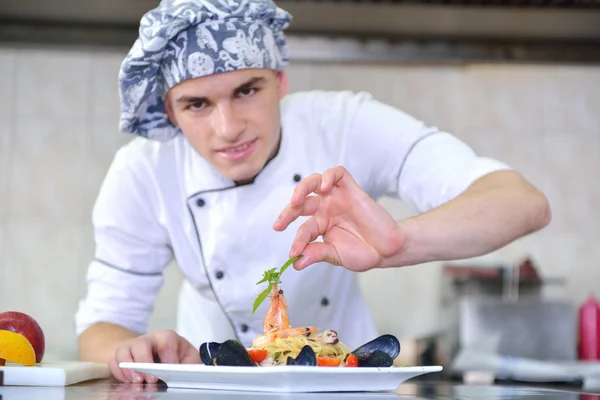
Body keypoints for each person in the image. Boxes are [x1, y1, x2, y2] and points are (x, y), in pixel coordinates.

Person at [75, 0, 551, 383]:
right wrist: (129, 348)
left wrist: (395, 243)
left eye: (247, 91)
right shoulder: (143, 172)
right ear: (170, 113)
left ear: (280, 80)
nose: (228, 128)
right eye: (197, 104)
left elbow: (522, 203)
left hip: (346, 389)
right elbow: (101, 324)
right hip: (212, 390)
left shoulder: (342, 126)